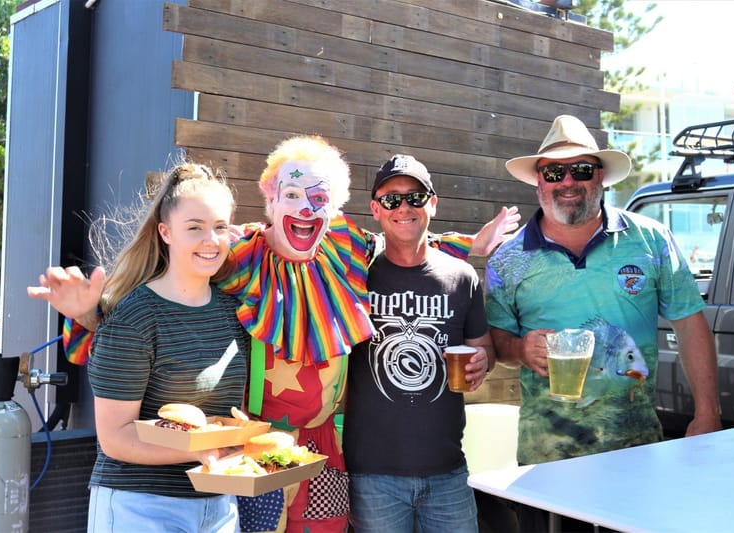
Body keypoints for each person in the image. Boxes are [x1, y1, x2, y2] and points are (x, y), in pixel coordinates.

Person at [28, 136, 520, 533]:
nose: (307, 209)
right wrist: (92, 315)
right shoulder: (234, 251)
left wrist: (469, 244)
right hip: (249, 455)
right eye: (293, 195)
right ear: (269, 201)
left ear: (339, 208)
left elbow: (406, 235)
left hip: (323, 452)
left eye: (320, 198)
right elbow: (160, 303)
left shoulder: (348, 246)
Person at [484, 115, 722, 531]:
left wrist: (707, 412)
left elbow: (689, 324)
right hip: (547, 457)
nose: (568, 181)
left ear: (602, 178)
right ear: (539, 182)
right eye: (554, 172)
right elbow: (498, 341)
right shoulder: (507, 259)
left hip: (636, 450)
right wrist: (521, 350)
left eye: (582, 170)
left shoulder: (651, 239)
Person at [81, 162, 248, 532]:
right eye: (195, 228)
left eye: (220, 227)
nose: (211, 240)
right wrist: (203, 452)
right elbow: (115, 438)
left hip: (218, 506)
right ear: (165, 232)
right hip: (140, 507)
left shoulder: (235, 311)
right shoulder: (135, 316)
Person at [344, 154, 496, 533]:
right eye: (392, 200)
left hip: (448, 470)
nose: (404, 207)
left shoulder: (462, 276)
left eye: (415, 196)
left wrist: (482, 361)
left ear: (433, 202)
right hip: (372, 474)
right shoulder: (353, 274)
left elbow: (485, 348)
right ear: (376, 209)